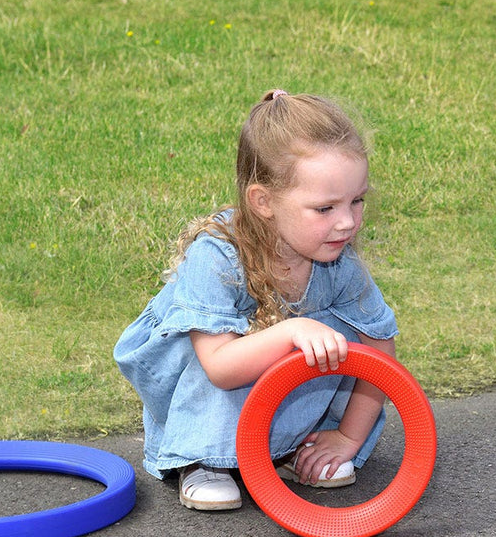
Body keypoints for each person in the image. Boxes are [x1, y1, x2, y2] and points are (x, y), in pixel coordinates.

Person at [114, 90, 398, 511]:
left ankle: (289, 446)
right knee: (252, 342)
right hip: (208, 379)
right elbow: (222, 368)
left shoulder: (337, 261)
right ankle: (204, 459)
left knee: (337, 336)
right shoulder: (217, 257)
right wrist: (292, 330)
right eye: (325, 208)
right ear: (263, 201)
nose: (347, 222)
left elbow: (380, 348)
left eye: (356, 201)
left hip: (275, 396)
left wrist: (348, 438)